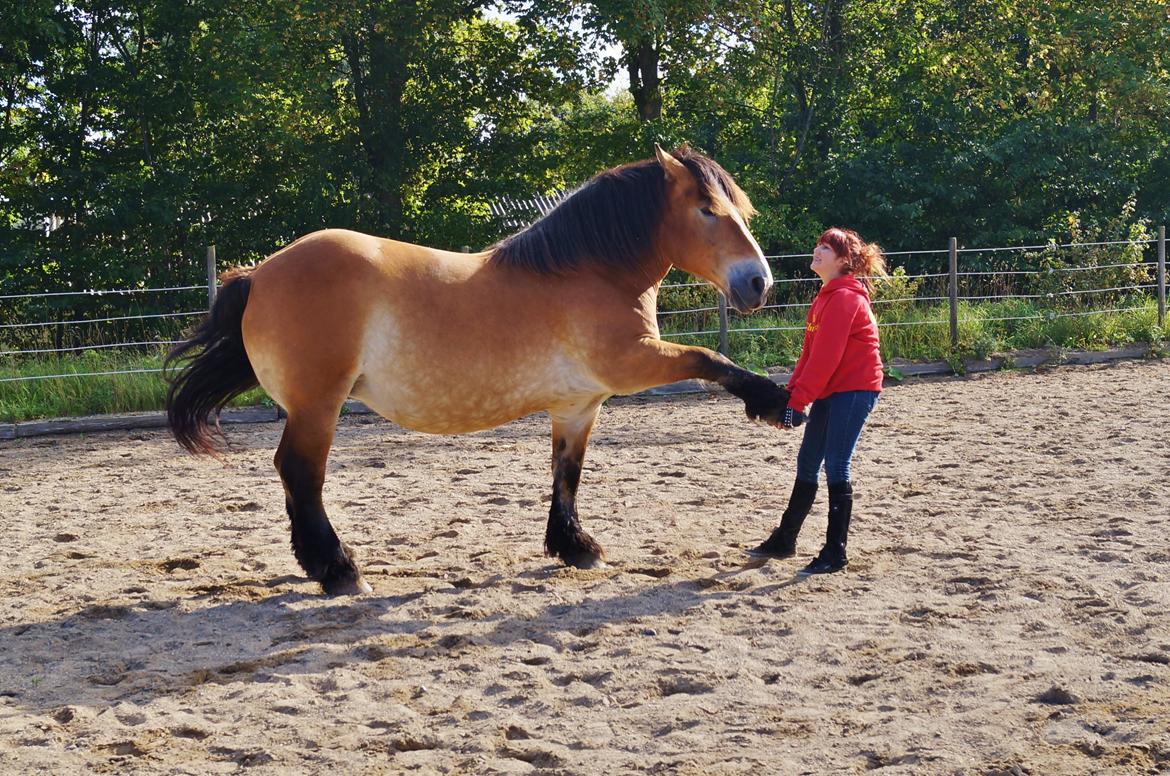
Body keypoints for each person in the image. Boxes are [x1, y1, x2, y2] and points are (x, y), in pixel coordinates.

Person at [749, 227, 887, 574]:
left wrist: (797, 405)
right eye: (819, 245)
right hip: (833, 388)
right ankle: (785, 540)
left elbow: (825, 360)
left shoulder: (844, 299)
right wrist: (790, 397)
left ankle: (835, 552)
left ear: (843, 260)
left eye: (826, 247)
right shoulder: (825, 297)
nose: (817, 250)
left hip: (855, 388)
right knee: (808, 460)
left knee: (837, 464)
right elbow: (809, 356)